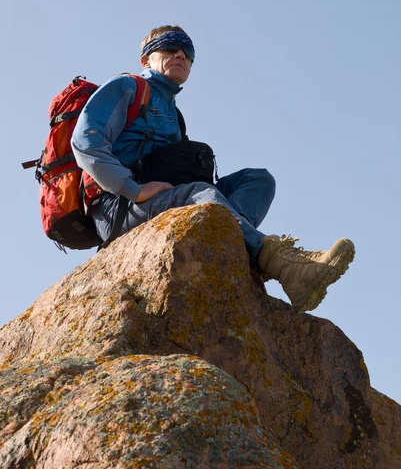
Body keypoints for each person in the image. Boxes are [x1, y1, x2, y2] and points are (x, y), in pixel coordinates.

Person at [72, 25, 355, 313]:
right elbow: (85, 142)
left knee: (257, 179)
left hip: (164, 197)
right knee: (200, 192)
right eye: (170, 46)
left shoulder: (173, 114)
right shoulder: (128, 88)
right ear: (146, 59)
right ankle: (282, 264)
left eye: (188, 51)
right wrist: (134, 189)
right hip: (118, 207)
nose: (181, 54)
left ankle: (240, 251)